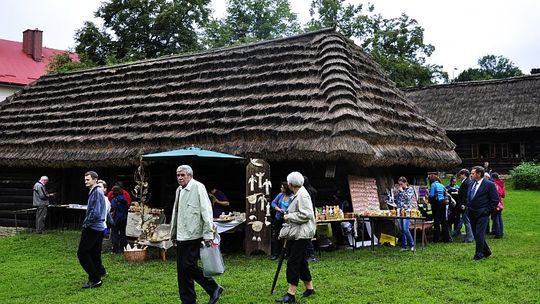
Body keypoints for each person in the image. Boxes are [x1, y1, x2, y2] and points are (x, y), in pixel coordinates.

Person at [170, 165, 223, 304]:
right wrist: (174, 234)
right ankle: (188, 300)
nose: (180, 178)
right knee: (182, 270)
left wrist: (208, 235)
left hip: (193, 234)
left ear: (190, 175)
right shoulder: (178, 190)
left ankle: (213, 288)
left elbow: (206, 211)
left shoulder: (198, 187)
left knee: (188, 266)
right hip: (181, 235)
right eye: (178, 175)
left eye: (183, 175)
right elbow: (176, 214)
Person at [276, 172, 316, 303]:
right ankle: (310, 288)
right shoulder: (299, 193)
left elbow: (307, 214)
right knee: (301, 261)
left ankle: (290, 294)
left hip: (302, 233)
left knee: (293, 261)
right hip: (299, 232)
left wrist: (289, 216)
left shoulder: (302, 195)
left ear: (290, 184)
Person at [77, 171, 107, 288]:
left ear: (95, 180)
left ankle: (95, 279)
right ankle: (98, 273)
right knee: (94, 252)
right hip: (98, 226)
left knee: (82, 253)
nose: (86, 181)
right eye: (85, 179)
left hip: (93, 227)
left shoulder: (96, 192)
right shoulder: (97, 191)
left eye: (88, 179)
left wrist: (86, 224)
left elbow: (95, 212)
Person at [467, 166, 499, 260]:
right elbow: (469, 196)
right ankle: (487, 251)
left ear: (479, 174)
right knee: (476, 234)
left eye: (473, 173)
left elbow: (495, 200)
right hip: (471, 212)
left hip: (482, 213)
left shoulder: (489, 185)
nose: (471, 175)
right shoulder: (471, 183)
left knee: (480, 233)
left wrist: (487, 211)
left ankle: (479, 254)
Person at [270, 182, 293, 259]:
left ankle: (286, 253)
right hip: (278, 217)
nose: (281, 188)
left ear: (286, 189)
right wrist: (278, 209)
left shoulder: (292, 197)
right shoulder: (280, 195)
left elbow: (293, 208)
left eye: (282, 187)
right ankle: (275, 253)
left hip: (286, 219)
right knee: (276, 235)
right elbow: (273, 203)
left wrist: (286, 212)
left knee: (286, 236)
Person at [429, 174, 451, 243]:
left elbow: (432, 195)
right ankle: (446, 238)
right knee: (443, 221)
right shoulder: (441, 185)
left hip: (437, 203)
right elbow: (445, 193)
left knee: (437, 221)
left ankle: (436, 239)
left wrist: (428, 199)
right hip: (443, 203)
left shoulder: (433, 185)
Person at [453, 169, 474, 242]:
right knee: (465, 220)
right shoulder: (468, 181)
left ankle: (470, 237)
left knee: (466, 221)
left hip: (464, 204)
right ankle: (467, 235)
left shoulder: (466, 183)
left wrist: (463, 204)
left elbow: (465, 195)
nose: (460, 176)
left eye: (461, 174)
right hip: (466, 204)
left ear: (464, 174)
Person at [396, 177, 415, 251]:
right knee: (401, 229)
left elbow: (408, 198)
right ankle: (404, 246)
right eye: (399, 184)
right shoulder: (400, 190)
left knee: (405, 229)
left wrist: (402, 191)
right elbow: (398, 200)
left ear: (405, 183)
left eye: (401, 184)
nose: (400, 186)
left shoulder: (410, 189)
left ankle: (412, 244)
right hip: (400, 211)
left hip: (407, 211)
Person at [302, 175, 317, 262]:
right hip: (311, 213)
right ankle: (308, 254)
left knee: (307, 235)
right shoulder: (312, 190)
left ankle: (311, 255)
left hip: (308, 213)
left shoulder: (307, 192)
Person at [110, 186, 129, 253]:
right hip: (124, 218)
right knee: (123, 233)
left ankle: (115, 249)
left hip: (116, 218)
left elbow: (112, 207)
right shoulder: (124, 198)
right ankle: (123, 248)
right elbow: (127, 206)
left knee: (115, 233)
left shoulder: (114, 200)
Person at [491, 173, 505, 239]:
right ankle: (501, 232)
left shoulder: (494, 184)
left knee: (495, 218)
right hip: (500, 203)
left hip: (496, 204)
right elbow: (503, 194)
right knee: (499, 218)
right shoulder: (501, 184)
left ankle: (498, 234)